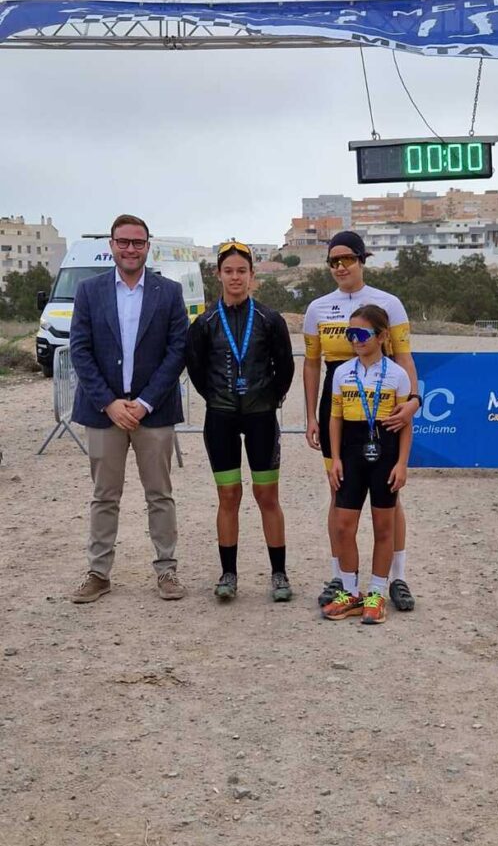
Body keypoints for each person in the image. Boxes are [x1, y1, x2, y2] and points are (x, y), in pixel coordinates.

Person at [69, 213, 188, 603]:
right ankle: (98, 573)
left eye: (138, 242)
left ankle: (167, 570)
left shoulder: (169, 293)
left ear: (147, 246)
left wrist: (145, 402)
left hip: (154, 411)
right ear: (112, 245)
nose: (130, 249)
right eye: (123, 242)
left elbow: (177, 351)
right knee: (105, 496)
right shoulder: (89, 291)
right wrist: (108, 403)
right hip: (103, 412)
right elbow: (80, 350)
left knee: (160, 495)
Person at [303, 230, 420, 611]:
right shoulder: (318, 308)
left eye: (347, 260)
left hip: (384, 402)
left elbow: (404, 357)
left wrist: (414, 401)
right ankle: (342, 578)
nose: (340, 267)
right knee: (338, 492)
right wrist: (311, 415)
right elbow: (312, 364)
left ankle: (396, 578)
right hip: (338, 396)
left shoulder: (390, 304)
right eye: (333, 262)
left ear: (361, 260)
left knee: (390, 498)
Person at [185, 240, 295, 603]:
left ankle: (279, 574)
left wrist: (268, 399)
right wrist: (219, 398)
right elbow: (197, 370)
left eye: (242, 271)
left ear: (252, 275)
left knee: (267, 496)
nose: (235, 277)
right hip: (221, 418)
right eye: (229, 271)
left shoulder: (269, 319)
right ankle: (228, 574)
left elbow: (285, 368)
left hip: (262, 416)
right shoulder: (204, 323)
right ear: (218, 274)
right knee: (228, 496)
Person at [323, 305, 413, 624]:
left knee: (383, 528)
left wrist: (402, 463)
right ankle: (350, 592)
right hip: (350, 456)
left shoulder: (398, 375)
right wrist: (335, 459)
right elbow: (335, 419)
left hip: (385, 456)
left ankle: (376, 594)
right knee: (343, 526)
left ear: (382, 335)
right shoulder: (341, 373)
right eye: (350, 333)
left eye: (362, 333)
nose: (355, 340)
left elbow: (405, 425)